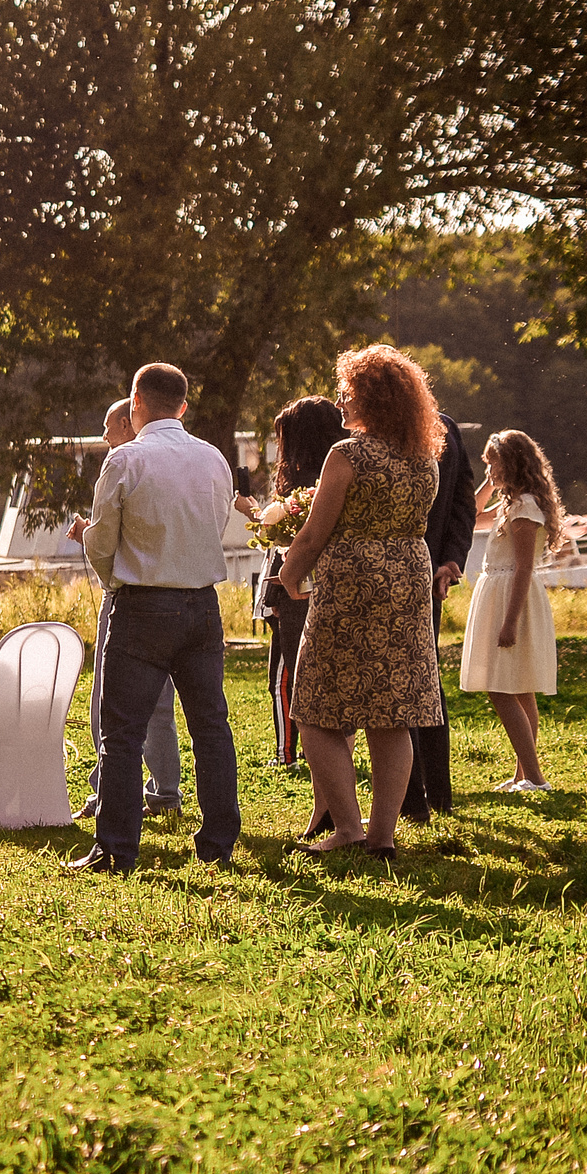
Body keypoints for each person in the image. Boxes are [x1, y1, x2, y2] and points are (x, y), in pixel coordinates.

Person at [73, 363, 241, 872]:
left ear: (135, 401)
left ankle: (118, 847)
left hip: (143, 605)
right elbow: (217, 520)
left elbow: (101, 537)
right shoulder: (214, 458)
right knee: (210, 726)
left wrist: (114, 579)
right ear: (183, 406)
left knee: (121, 733)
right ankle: (217, 843)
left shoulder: (126, 459)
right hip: (202, 605)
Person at [281, 346, 442, 861]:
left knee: (313, 708)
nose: (341, 403)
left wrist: (288, 572)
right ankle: (383, 836)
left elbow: (314, 533)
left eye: (347, 394)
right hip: (408, 581)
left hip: (352, 584)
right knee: (393, 712)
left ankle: (349, 827)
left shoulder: (348, 456)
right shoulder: (424, 458)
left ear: (370, 398)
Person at [65, 399, 183, 823]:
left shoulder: (122, 461)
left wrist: (87, 538)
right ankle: (166, 790)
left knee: (107, 702)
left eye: (106, 425)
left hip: (128, 596)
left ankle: (107, 793)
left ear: (125, 420)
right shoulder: (178, 462)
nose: (103, 436)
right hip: (178, 597)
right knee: (161, 704)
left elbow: (109, 543)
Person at [241, 396, 347, 770]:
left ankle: (288, 753)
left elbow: (289, 535)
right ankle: (314, 750)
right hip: (323, 584)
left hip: (297, 586)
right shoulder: (342, 470)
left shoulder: (310, 481)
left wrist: (252, 513)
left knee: (287, 672)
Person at [460, 430, 563, 791]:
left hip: (511, 597)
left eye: (494, 462)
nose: (489, 468)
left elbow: (523, 567)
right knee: (519, 688)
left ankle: (535, 776)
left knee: (501, 687)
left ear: (512, 463)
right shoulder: (510, 503)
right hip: (497, 591)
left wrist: (510, 622)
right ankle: (523, 773)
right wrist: (488, 485)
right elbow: (470, 517)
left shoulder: (525, 508)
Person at [406, 409, 477, 821]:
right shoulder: (444, 424)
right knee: (425, 683)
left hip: (412, 573)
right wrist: (451, 556)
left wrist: (451, 558)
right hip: (430, 568)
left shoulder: (430, 428)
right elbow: (464, 500)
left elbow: (461, 497)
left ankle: (418, 798)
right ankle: (433, 795)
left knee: (411, 687)